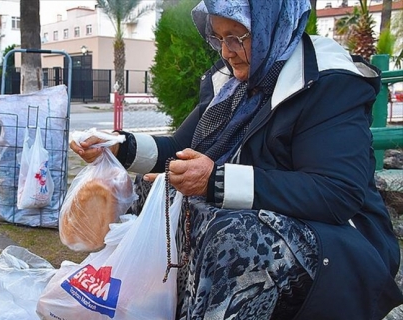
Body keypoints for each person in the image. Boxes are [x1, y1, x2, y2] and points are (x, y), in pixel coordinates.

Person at [69, 0, 403, 319]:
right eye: (218, 38)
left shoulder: (327, 83)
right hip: (273, 219)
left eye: (237, 37)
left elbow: (336, 193)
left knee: (231, 234)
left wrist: (216, 181)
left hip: (341, 245)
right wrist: (119, 147)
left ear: (274, 24)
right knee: (144, 191)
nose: (227, 51)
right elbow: (179, 149)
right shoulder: (233, 85)